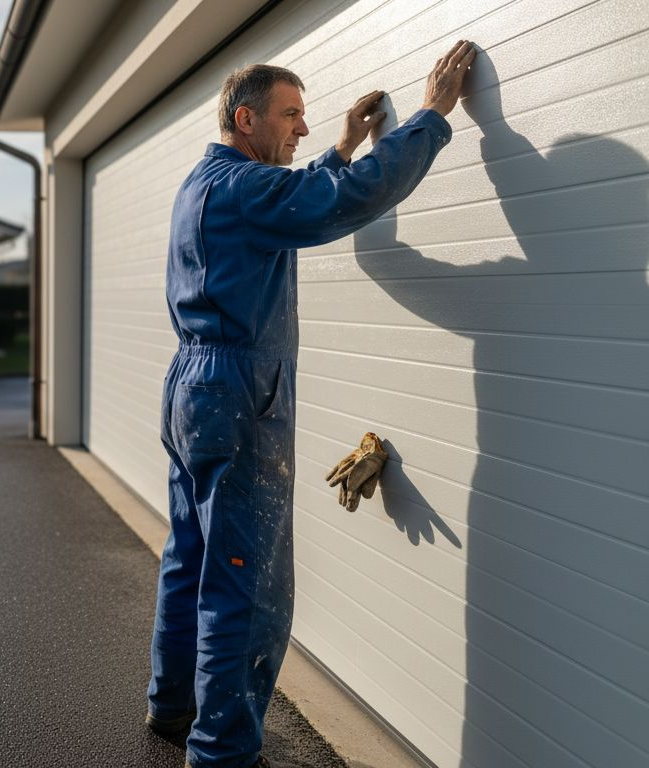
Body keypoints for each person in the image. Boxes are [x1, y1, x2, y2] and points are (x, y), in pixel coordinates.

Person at [146, 41, 476, 768]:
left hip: (194, 388)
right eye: (290, 114)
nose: (301, 127)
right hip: (236, 392)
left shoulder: (208, 181)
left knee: (191, 555)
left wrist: (341, 147)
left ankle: (172, 707)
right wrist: (431, 115)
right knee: (246, 579)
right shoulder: (245, 190)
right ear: (245, 119)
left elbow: (288, 195)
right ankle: (222, 751)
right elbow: (343, 201)